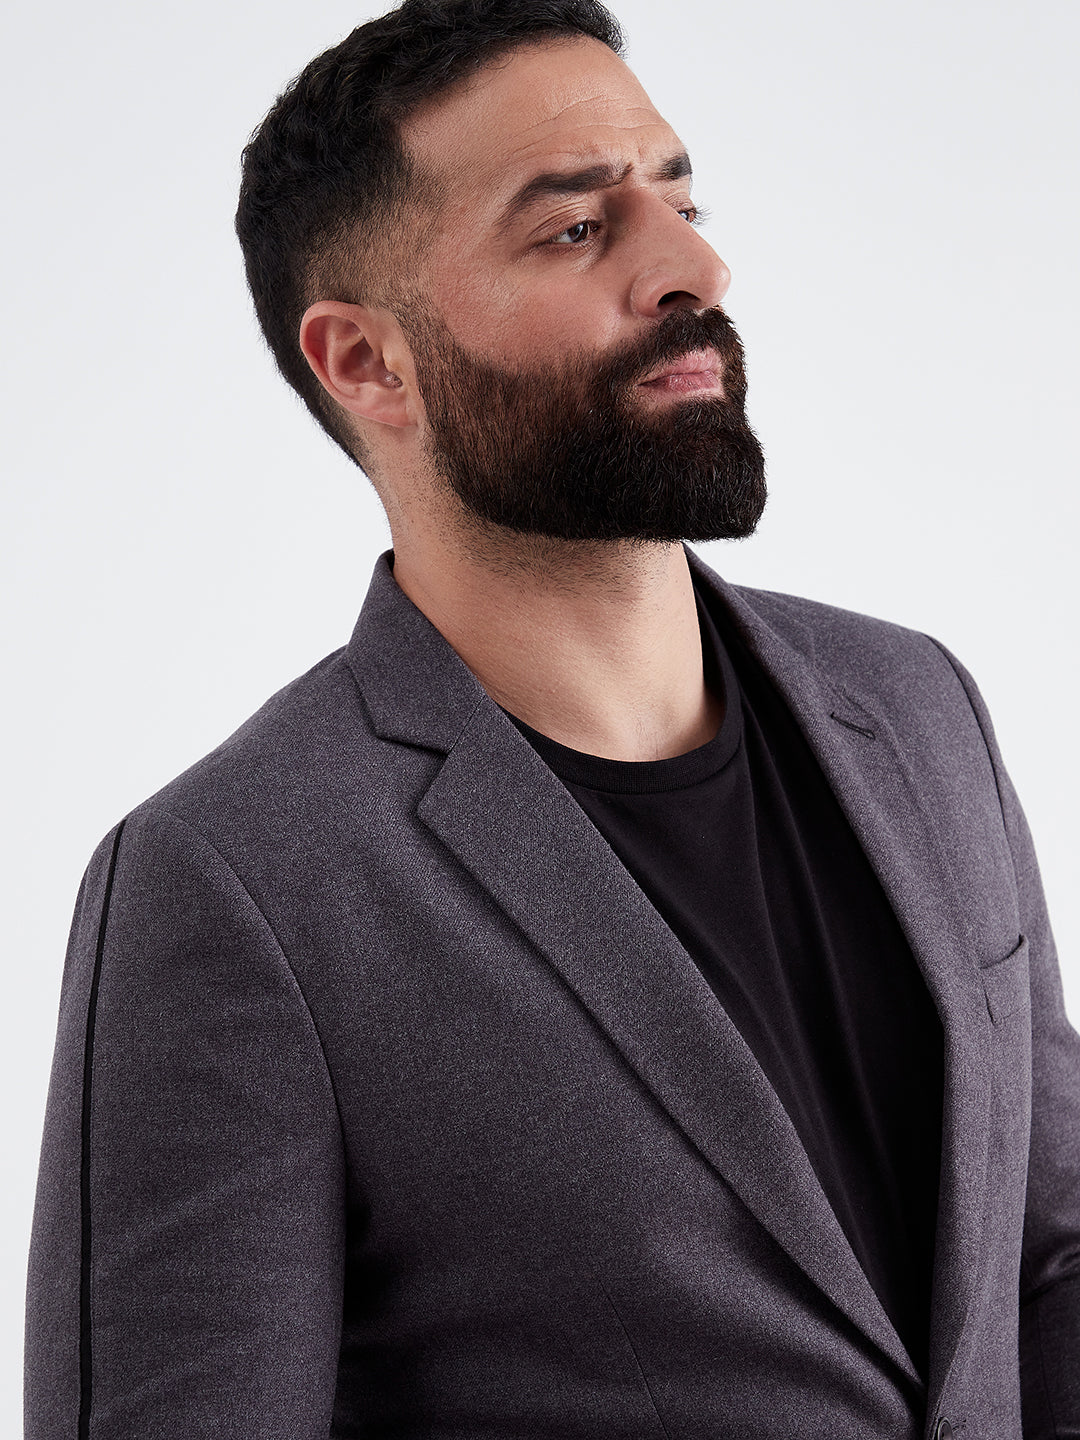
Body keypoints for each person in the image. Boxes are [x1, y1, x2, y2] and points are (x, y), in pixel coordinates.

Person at [24, 0, 1079, 1434]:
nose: (694, 267)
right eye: (576, 229)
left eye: (682, 200)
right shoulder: (231, 883)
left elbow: (1048, 1261)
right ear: (366, 363)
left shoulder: (919, 706)